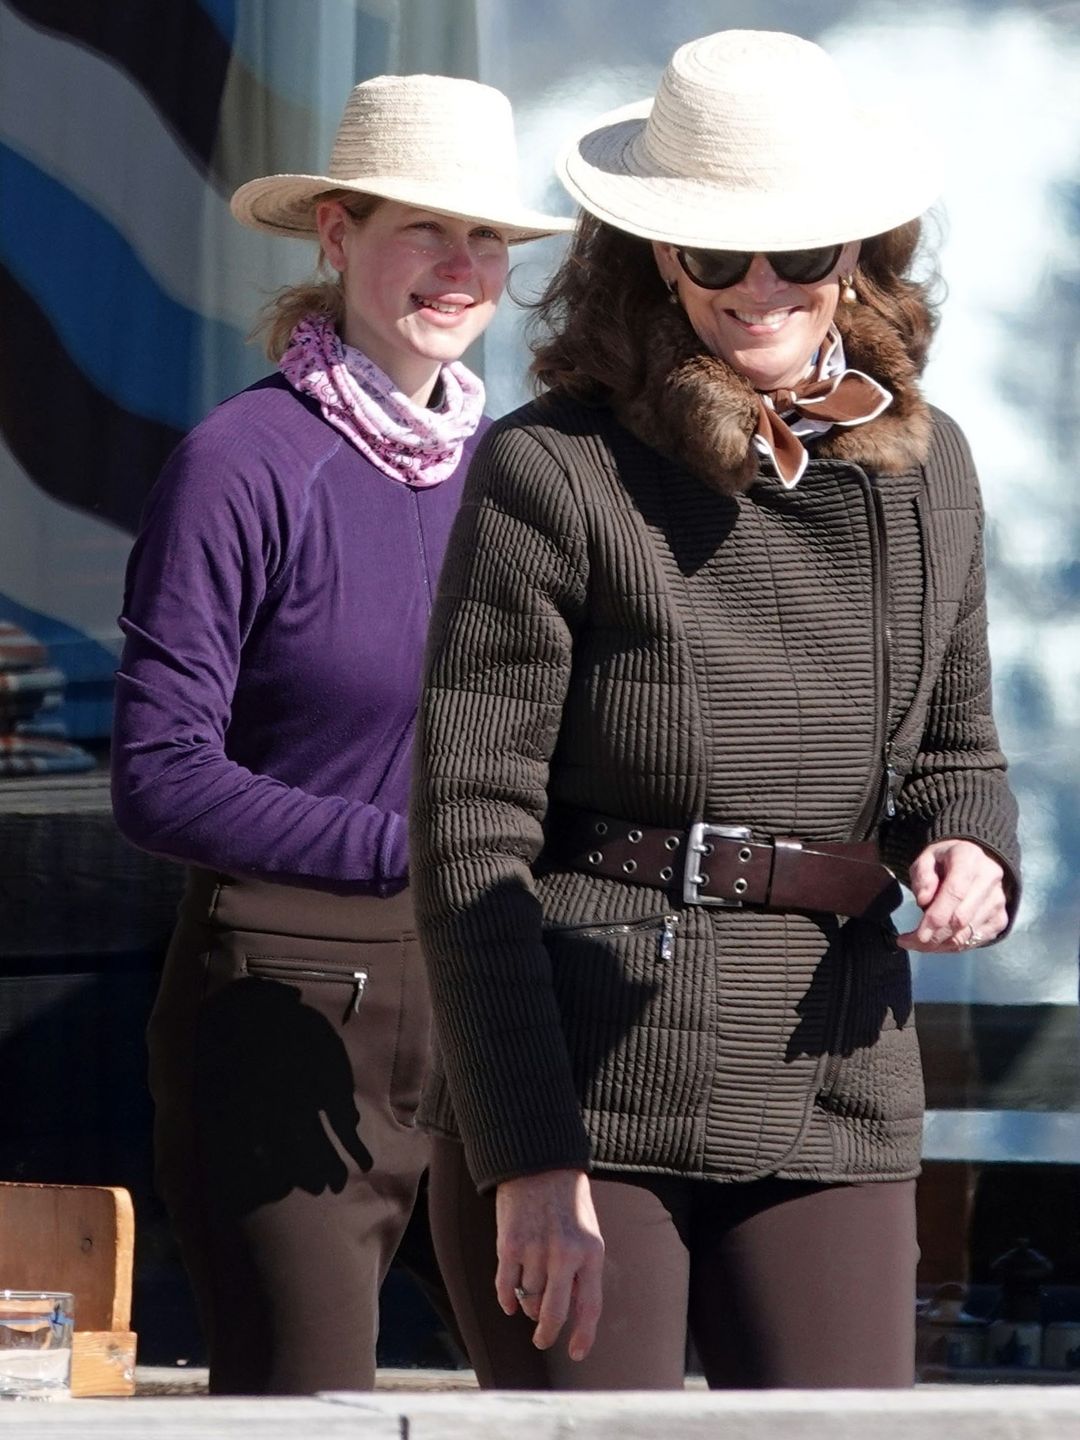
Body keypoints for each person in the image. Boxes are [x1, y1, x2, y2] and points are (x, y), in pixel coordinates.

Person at [410, 31, 1021, 1390]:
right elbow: (469, 840)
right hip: (590, 1084)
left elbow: (959, 746)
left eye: (797, 254)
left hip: (835, 1062)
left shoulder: (929, 465)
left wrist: (968, 847)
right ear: (652, 258)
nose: (759, 290)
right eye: (714, 257)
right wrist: (528, 1151)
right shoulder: (551, 469)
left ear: (855, 254)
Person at [110, 72, 570, 1395]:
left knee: (578, 1408)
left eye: (485, 238)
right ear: (335, 234)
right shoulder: (244, 464)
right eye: (422, 228)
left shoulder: (531, 475)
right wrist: (413, 846)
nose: (460, 266)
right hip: (292, 998)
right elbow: (160, 776)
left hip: (506, 999)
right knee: (305, 1414)